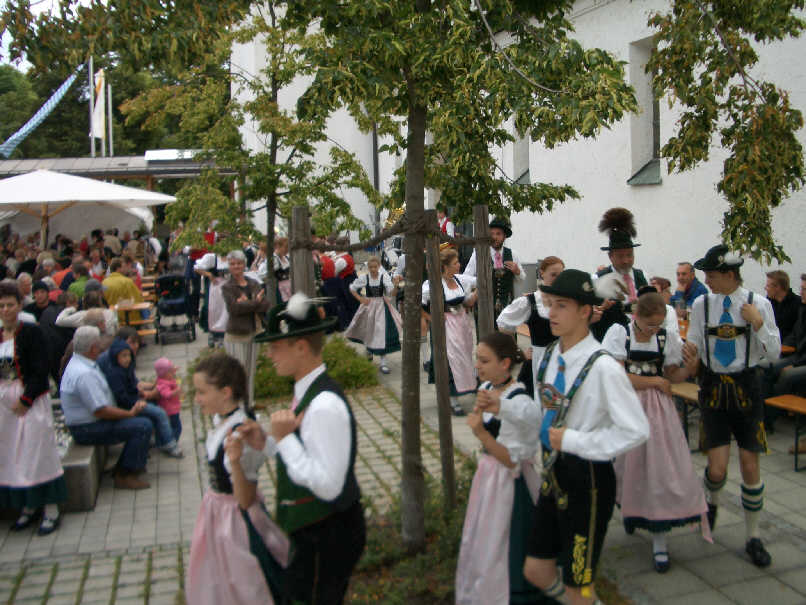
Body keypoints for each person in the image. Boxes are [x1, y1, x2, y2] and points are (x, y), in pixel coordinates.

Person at [522, 269, 649, 605]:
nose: (551, 313)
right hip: (554, 473)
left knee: (579, 588)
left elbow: (636, 429)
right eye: (550, 304)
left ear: (584, 311)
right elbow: (544, 408)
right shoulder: (551, 354)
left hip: (588, 480)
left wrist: (575, 441)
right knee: (536, 569)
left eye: (561, 305)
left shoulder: (604, 367)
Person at [240, 292, 366, 604]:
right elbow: (307, 452)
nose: (270, 354)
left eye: (275, 346)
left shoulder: (324, 405)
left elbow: (329, 485)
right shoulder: (307, 393)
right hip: (313, 530)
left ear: (300, 347)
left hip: (328, 532)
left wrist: (284, 440)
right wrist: (269, 444)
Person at [684, 244, 780, 568]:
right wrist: (689, 356)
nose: (706, 280)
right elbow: (694, 342)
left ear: (728, 274)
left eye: (711, 275)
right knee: (717, 469)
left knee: (750, 466)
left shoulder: (759, 303)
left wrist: (758, 323)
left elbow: (774, 352)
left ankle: (754, 536)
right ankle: (711, 501)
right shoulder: (702, 305)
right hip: (713, 389)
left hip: (747, 389)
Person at [603, 290, 710, 573]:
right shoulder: (620, 334)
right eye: (650, 324)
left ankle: (659, 538)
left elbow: (671, 375)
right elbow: (616, 376)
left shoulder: (665, 337)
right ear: (636, 316)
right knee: (629, 466)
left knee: (659, 467)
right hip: (627, 406)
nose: (655, 329)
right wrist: (653, 383)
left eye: (659, 324)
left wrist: (690, 369)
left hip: (658, 411)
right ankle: (632, 510)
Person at [186, 353, 289, 605]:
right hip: (218, 513)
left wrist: (234, 462)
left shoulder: (240, 434)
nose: (197, 399)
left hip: (236, 522)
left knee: (245, 584)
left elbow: (245, 499)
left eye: (202, 392)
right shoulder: (223, 420)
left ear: (225, 393)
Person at [456, 332, 543, 605]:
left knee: (505, 545)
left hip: (509, 484)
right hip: (489, 477)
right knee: (485, 542)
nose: (478, 366)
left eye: (484, 361)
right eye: (477, 359)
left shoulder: (519, 402)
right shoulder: (486, 388)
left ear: (505, 363)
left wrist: (481, 433)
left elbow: (512, 460)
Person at [0, 281, 67, 535]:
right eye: (1, 306)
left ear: (19, 306)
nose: (6, 310)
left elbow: (41, 369)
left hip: (31, 401)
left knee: (37, 453)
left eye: (10, 305)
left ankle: (51, 509)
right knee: (12, 456)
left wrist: (26, 399)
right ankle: (28, 506)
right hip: (4, 404)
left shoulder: (31, 332)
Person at [60, 326, 154, 490]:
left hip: (88, 424)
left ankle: (129, 465)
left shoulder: (80, 363)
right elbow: (100, 410)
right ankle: (124, 475)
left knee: (141, 420)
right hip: (87, 428)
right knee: (142, 426)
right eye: (99, 344)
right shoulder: (84, 374)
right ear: (92, 348)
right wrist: (129, 414)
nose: (102, 347)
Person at [97, 334, 183, 458]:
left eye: (128, 355)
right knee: (160, 413)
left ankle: (160, 440)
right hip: (130, 405)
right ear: (116, 357)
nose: (127, 359)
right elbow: (122, 396)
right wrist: (138, 401)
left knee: (158, 409)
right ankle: (170, 444)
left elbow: (133, 385)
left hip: (135, 399)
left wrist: (141, 392)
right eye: (123, 356)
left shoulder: (126, 368)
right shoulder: (115, 374)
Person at [496, 256, 564, 398]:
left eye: (561, 275)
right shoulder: (530, 302)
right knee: (542, 398)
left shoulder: (567, 301)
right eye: (553, 275)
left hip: (563, 358)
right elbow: (503, 322)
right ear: (542, 273)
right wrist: (518, 352)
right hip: (539, 359)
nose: (558, 279)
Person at [423, 248, 478, 416]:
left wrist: (477, 292)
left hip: (462, 323)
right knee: (451, 359)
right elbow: (418, 304)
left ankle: (466, 387)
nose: (459, 265)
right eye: (455, 263)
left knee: (464, 356)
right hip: (446, 326)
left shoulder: (460, 279)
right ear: (446, 267)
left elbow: (467, 302)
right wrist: (432, 319)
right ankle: (453, 400)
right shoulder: (433, 284)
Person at [221, 250, 269, 407]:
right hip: (237, 334)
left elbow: (265, 304)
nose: (236, 266)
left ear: (244, 265)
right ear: (229, 266)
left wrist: (247, 303)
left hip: (254, 331)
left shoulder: (253, 283)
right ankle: (238, 405)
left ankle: (249, 403)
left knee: (250, 371)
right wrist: (254, 302)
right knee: (238, 372)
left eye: (239, 263)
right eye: (233, 264)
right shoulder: (228, 287)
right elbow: (234, 309)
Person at [592, 207, 648, 341]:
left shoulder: (643, 277)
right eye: (620, 256)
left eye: (629, 255)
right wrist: (601, 308)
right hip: (609, 342)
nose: (626, 260)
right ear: (610, 256)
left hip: (639, 342)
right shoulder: (597, 279)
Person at [345, 256, 402, 374]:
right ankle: (369, 351)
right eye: (370, 267)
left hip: (381, 307)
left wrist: (396, 285)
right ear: (368, 267)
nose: (373, 269)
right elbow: (352, 288)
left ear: (379, 267)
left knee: (381, 334)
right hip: (369, 307)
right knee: (369, 330)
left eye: (375, 267)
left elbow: (392, 293)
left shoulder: (383, 277)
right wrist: (360, 299)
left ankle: (383, 362)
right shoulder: (365, 278)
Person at [463, 217, 525, 318]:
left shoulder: (513, 254)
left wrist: (517, 271)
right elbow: (466, 278)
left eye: (498, 234)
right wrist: (469, 297)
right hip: (484, 308)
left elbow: (521, 280)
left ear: (504, 236)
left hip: (507, 309)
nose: (494, 237)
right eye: (492, 234)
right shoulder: (478, 254)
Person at [194, 251, 229, 348]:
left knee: (225, 310)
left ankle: (223, 336)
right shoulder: (211, 257)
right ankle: (212, 334)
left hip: (227, 286)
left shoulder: (231, 256)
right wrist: (208, 274)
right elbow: (196, 268)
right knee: (211, 309)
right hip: (214, 286)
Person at [765, 270, 801, 343]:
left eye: (768, 286)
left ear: (778, 287)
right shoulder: (767, 303)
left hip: (791, 347)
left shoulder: (798, 304)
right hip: (772, 346)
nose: (765, 288)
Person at [154, 357, 183, 442]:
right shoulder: (163, 384)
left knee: (172, 426)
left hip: (173, 408)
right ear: (164, 374)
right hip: (170, 410)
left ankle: (166, 441)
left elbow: (169, 373)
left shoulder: (166, 378)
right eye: (170, 371)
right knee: (177, 427)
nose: (173, 373)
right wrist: (176, 391)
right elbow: (166, 394)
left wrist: (172, 370)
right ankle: (172, 442)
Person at [273, 237, 292, 303]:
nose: (287, 250)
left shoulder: (286, 257)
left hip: (289, 287)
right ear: (278, 247)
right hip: (280, 289)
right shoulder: (274, 259)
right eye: (285, 247)